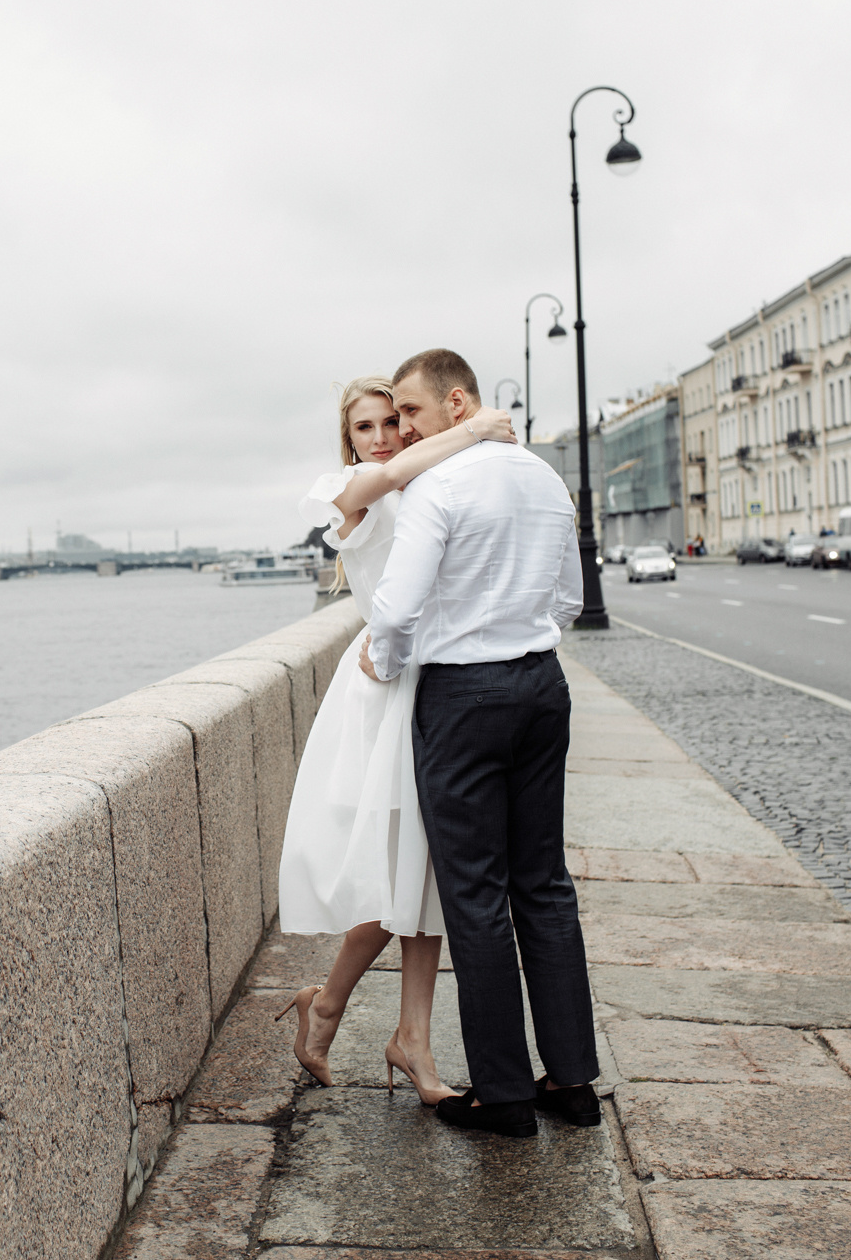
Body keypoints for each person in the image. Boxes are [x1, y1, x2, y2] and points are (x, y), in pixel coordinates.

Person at [361, 348, 600, 1139]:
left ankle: (502, 1095)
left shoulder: (440, 485)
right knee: (545, 882)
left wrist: (389, 664)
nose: (400, 429)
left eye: (411, 413)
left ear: (457, 404)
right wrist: (520, 634)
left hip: (463, 695)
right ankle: (570, 1081)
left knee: (474, 892)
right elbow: (567, 596)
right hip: (542, 686)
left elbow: (394, 614)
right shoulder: (541, 476)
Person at [274, 374, 519, 1106]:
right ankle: (325, 1006)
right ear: (346, 436)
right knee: (396, 879)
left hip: (432, 682)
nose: (380, 436)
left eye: (391, 422)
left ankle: (411, 1040)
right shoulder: (350, 486)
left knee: (430, 878)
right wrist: (477, 426)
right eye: (365, 425)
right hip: (383, 698)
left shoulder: (419, 485)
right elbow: (389, 475)